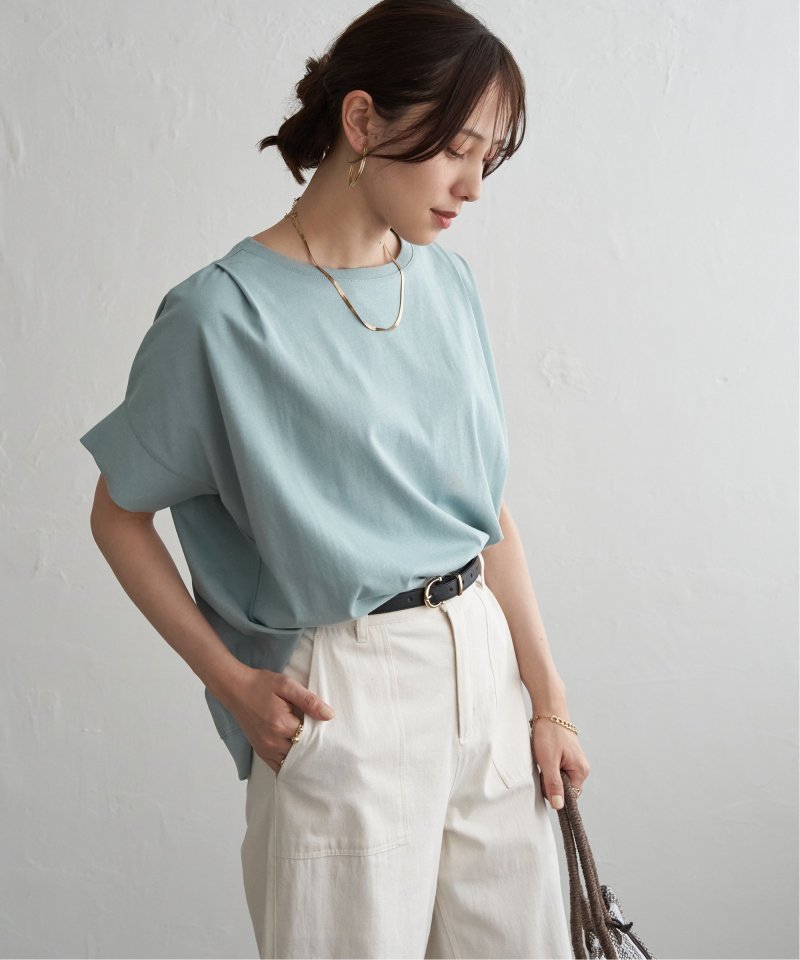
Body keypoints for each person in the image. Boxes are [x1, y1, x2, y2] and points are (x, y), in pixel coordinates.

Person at [79, 0, 592, 957]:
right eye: (457, 149)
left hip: (485, 669)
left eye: (489, 158)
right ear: (362, 120)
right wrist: (232, 681)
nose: (473, 186)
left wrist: (546, 697)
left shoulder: (447, 285)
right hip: (347, 688)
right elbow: (118, 515)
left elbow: (486, 512)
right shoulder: (220, 316)